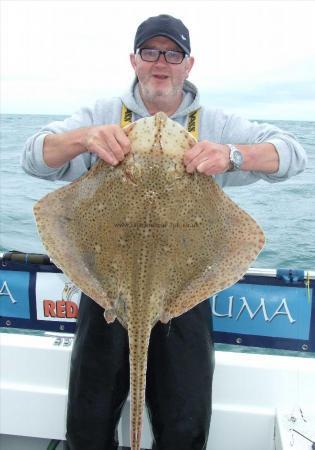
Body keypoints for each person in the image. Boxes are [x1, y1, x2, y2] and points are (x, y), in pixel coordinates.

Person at [22, 14, 307, 450]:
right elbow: (34, 156)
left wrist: (231, 155)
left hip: (183, 291)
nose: (162, 62)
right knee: (89, 424)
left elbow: (293, 155)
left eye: (172, 53)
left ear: (188, 64)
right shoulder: (101, 114)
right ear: (134, 60)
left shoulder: (216, 122)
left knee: (183, 428)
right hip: (106, 290)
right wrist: (85, 139)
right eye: (151, 51)